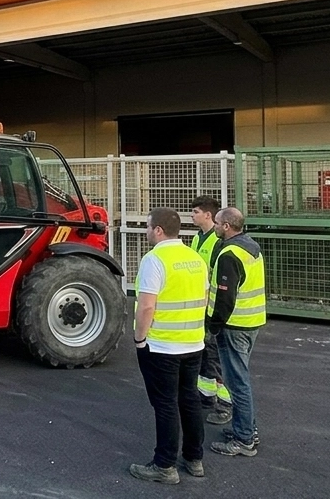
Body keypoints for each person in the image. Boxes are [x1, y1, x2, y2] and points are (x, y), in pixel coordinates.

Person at [129, 207, 209, 484]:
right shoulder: (195, 258)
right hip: (193, 343)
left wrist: (139, 339)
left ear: (158, 230)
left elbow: (146, 306)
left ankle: (164, 465)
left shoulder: (154, 259)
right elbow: (204, 297)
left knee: (165, 405)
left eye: (148, 227)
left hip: (163, 346)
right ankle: (194, 459)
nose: (146, 232)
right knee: (190, 400)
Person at [207, 207, 266, 458]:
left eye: (217, 223)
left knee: (237, 383)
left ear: (226, 226)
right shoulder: (250, 246)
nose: (215, 226)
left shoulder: (229, 254)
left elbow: (225, 297)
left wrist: (214, 325)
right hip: (251, 322)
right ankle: (246, 430)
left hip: (234, 326)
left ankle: (244, 440)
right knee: (239, 380)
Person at [189, 196, 233, 425]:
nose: (192, 215)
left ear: (208, 215)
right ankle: (207, 397)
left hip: (213, 307)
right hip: (202, 306)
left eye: (195, 212)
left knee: (215, 357)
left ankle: (226, 405)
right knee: (205, 355)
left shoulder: (217, 242)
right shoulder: (198, 238)